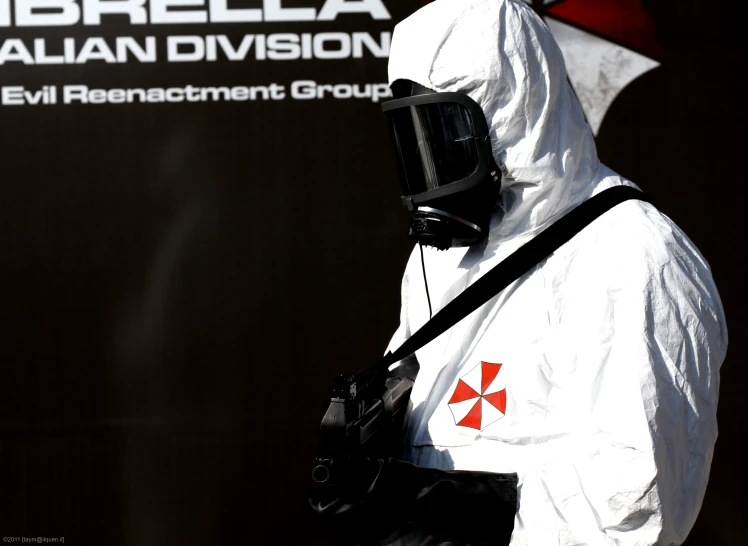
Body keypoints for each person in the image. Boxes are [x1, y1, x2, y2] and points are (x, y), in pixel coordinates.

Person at [308, 1, 728, 544]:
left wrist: (441, 506)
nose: (431, 164)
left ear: (511, 112)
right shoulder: (442, 255)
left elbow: (637, 508)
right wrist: (376, 456)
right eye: (413, 136)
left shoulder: (634, 258)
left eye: (443, 132)